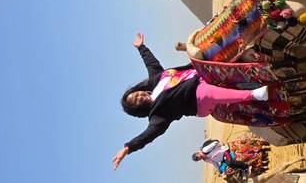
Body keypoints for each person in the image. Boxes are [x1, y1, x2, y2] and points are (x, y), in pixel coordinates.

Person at [111, 33, 269, 170]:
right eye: (136, 102)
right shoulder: (157, 115)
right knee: (207, 93)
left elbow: (151, 63)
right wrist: (128, 148)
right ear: (139, 109)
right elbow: (148, 135)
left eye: (136, 94)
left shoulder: (155, 80)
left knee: (203, 48)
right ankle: (253, 94)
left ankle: (241, 38)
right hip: (197, 99)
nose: (139, 97)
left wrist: (141, 47)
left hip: (198, 72)